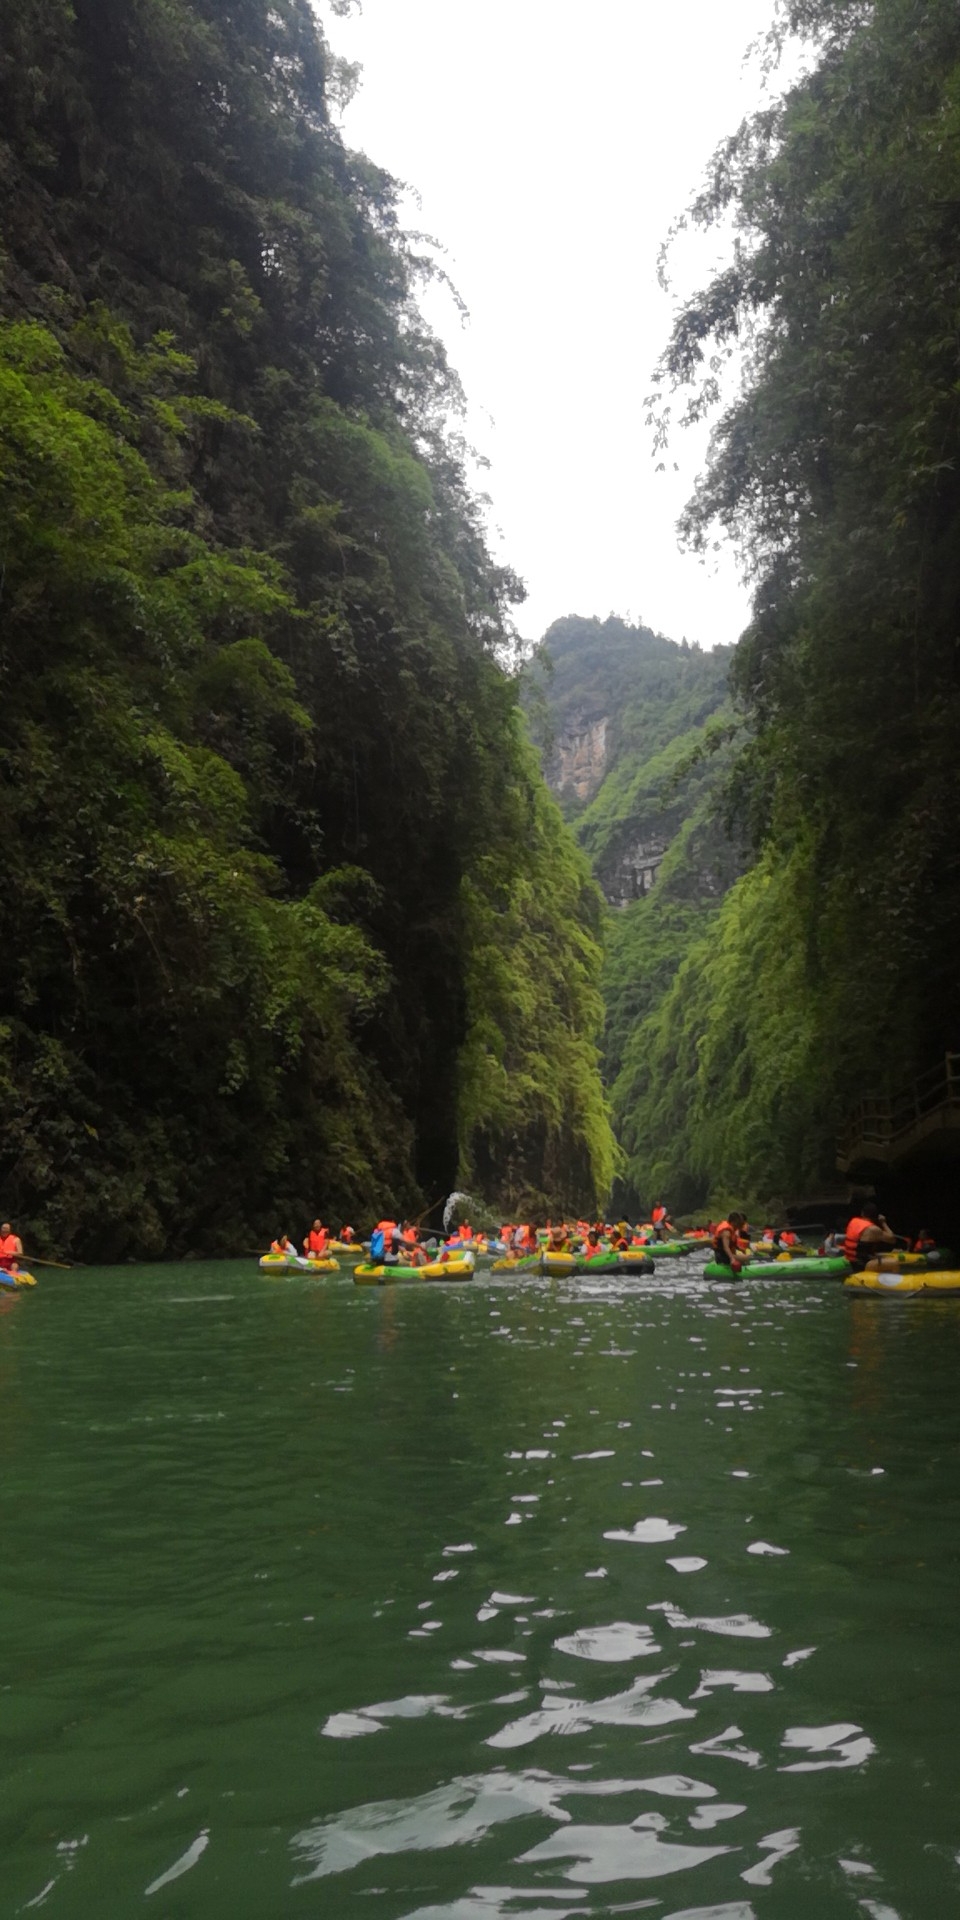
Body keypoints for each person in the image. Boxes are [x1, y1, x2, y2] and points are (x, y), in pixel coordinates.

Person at [843, 1204, 902, 1271]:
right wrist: (883, 1223)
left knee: (882, 1255)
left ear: (862, 1213)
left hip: (850, 1259)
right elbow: (892, 1239)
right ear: (876, 1216)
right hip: (863, 1263)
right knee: (894, 1263)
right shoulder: (873, 1229)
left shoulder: (853, 1221)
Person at [713, 1212, 747, 1276]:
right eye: (738, 1223)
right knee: (747, 1258)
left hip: (724, 1255)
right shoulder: (726, 1232)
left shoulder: (730, 1228)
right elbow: (726, 1247)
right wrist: (732, 1259)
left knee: (744, 1256)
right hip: (722, 1257)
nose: (739, 1226)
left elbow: (731, 1243)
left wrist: (740, 1249)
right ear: (733, 1222)